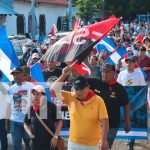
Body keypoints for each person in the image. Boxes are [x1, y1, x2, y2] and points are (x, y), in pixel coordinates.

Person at [51, 67, 109, 150]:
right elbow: (52, 91)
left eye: (81, 88)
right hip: (74, 144)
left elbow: (105, 121)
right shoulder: (71, 97)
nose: (78, 91)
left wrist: (103, 140)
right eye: (76, 88)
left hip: (92, 145)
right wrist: (64, 75)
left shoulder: (98, 100)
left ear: (88, 87)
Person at [86, 63, 130, 149]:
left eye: (107, 72)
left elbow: (126, 104)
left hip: (112, 125)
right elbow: (80, 79)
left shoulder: (120, 89)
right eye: (103, 71)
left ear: (114, 72)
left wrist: (127, 122)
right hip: (95, 124)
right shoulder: (95, 82)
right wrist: (72, 68)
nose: (104, 74)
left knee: (104, 147)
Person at [24, 85, 63, 150]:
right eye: (33, 94)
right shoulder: (30, 109)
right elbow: (25, 124)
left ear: (43, 95)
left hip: (50, 143)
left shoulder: (51, 106)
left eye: (37, 94)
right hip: (35, 144)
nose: (35, 96)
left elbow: (59, 121)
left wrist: (56, 136)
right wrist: (30, 134)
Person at [5, 67, 34, 150]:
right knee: (16, 145)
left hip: (28, 121)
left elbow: (37, 103)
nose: (16, 76)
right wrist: (7, 123)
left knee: (29, 145)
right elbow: (8, 106)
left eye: (18, 74)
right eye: (14, 74)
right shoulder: (11, 89)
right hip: (14, 121)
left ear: (23, 74)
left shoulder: (31, 87)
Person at [0, 70, 9, 150]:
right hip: (3, 118)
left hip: (3, 118)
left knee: (3, 138)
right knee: (3, 138)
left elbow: (8, 103)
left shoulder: (5, 87)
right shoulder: (6, 86)